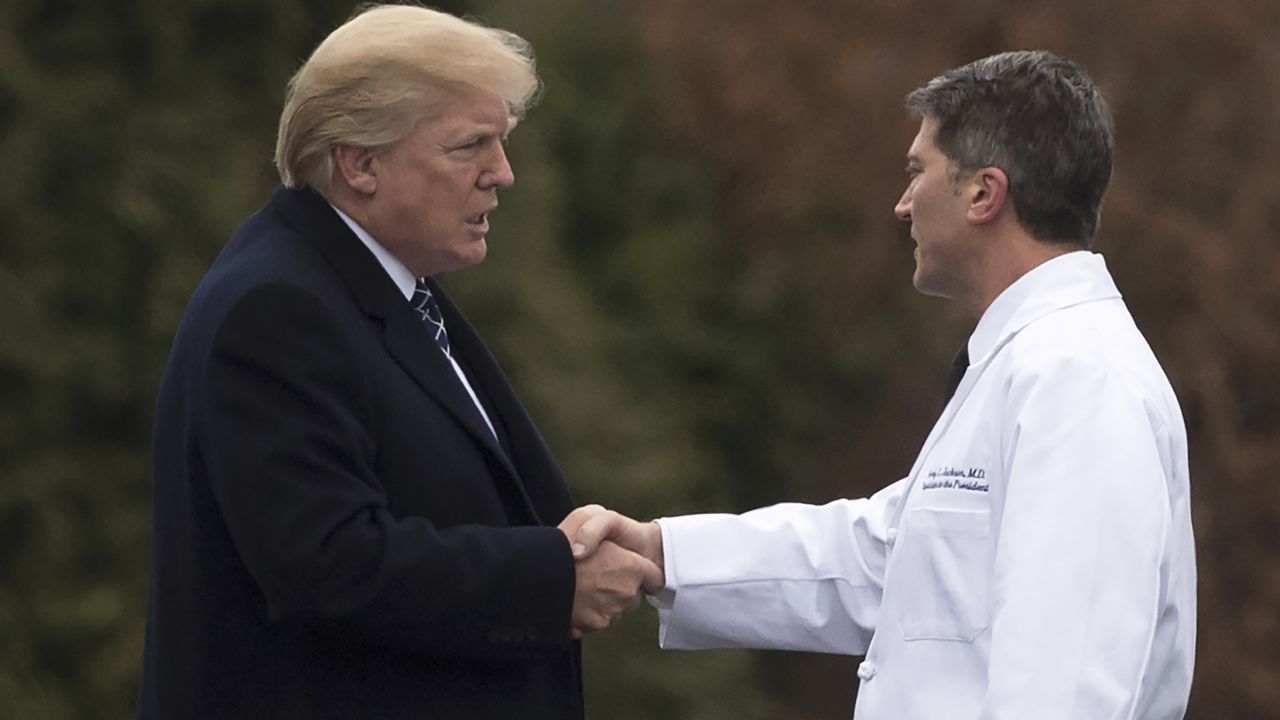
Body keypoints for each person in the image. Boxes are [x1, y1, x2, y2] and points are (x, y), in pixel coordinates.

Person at [565, 51, 1196, 719]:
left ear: (984, 193)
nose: (902, 204)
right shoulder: (1035, 365)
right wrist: (664, 554)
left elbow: (1065, 691)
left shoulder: (1078, 379)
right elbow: (889, 561)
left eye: (917, 171)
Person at [137, 6, 657, 719]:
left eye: (501, 142)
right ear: (359, 162)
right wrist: (550, 580)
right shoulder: (276, 309)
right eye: (468, 145)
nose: (501, 174)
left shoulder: (378, 286)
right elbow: (328, 565)